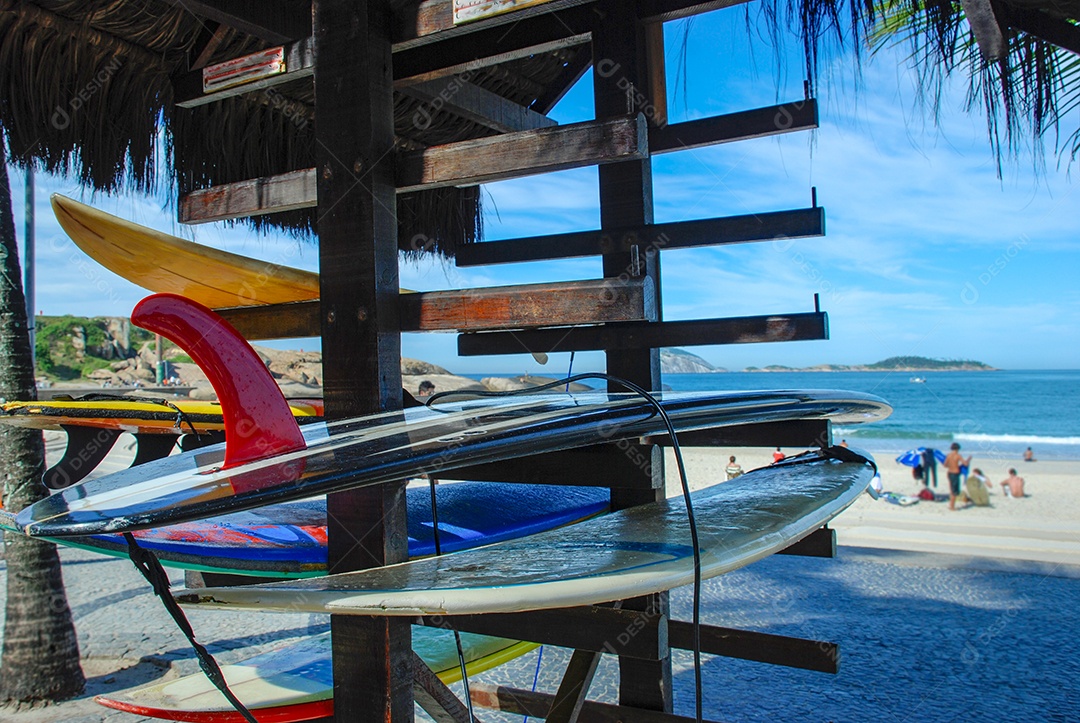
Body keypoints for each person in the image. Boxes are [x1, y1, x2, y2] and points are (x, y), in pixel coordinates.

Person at [943, 442, 972, 511]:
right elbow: (965, 464)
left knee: (952, 489)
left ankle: (951, 505)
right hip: (955, 474)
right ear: (958, 448)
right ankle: (952, 507)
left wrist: (951, 465)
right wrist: (969, 459)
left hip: (949, 473)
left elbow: (945, 465)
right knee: (955, 491)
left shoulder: (948, 455)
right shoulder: (958, 455)